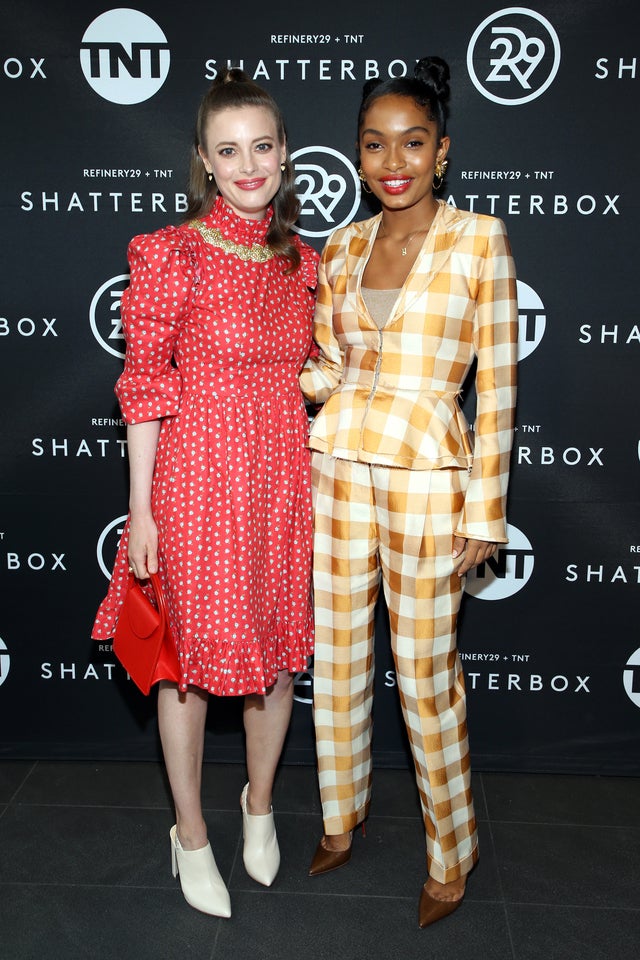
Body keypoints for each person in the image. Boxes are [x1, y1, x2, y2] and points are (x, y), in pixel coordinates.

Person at [92, 68, 319, 918]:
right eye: (229, 151)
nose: (248, 164)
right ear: (204, 161)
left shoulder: (306, 261)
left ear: (285, 153)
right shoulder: (169, 252)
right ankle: (189, 832)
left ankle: (257, 805)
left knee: (275, 656)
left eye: (262, 146)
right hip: (193, 483)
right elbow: (144, 389)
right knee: (183, 669)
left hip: (282, 483)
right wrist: (141, 511)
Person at [300, 56, 518, 927]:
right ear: (357, 154)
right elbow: (324, 360)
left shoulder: (479, 239)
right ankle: (340, 817)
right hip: (339, 470)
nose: (394, 160)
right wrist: (314, 381)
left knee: (426, 677)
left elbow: (497, 385)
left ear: (442, 150)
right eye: (375, 143)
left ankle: (450, 854)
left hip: (432, 477)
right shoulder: (345, 244)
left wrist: (486, 510)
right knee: (342, 663)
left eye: (413, 142)